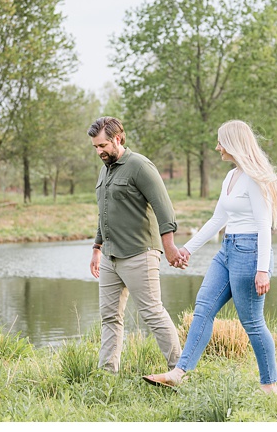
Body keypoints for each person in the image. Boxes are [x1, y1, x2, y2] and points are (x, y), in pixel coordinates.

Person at [143, 120, 277, 394]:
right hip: (227, 250)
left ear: (233, 144)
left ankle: (270, 386)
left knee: (253, 323)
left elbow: (264, 225)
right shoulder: (231, 177)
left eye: (221, 142)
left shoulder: (254, 179)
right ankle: (179, 372)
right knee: (203, 308)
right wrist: (186, 249)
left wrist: (263, 269)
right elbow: (218, 219)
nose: (217, 147)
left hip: (250, 252)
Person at [88, 116, 183, 374]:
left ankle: (180, 370)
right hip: (110, 256)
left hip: (140, 253)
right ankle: (107, 374)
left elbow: (164, 208)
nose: (99, 151)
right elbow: (104, 213)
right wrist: (97, 248)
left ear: (117, 138)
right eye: (96, 147)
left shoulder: (140, 166)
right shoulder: (104, 169)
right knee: (109, 318)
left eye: (103, 145)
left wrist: (170, 246)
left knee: (152, 313)